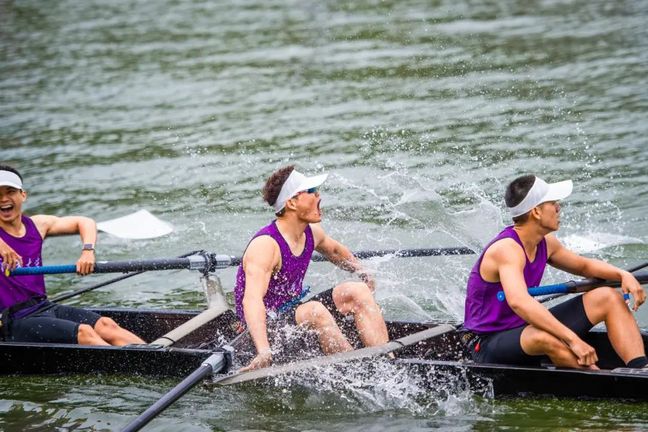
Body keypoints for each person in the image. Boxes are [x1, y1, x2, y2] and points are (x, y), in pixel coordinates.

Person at [463, 174, 647, 370]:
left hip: (523, 329)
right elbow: (519, 302)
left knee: (608, 297)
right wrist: (572, 340)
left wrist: (623, 275)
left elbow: (584, 266)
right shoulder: (507, 249)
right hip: (486, 343)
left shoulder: (546, 243)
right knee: (546, 337)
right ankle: (606, 381)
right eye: (553, 203)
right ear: (536, 212)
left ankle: (641, 369)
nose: (558, 208)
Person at [234, 165, 390, 371]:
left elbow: (336, 251)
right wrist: (263, 351)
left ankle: (387, 364)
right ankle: (356, 372)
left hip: (292, 313)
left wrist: (363, 272)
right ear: (291, 202)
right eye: (311, 191)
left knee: (357, 291)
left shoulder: (312, 233)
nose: (319, 196)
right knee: (315, 310)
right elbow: (252, 300)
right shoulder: (266, 245)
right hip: (263, 330)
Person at [0, 164, 145, 346]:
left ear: (23, 195)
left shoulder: (38, 225)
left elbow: (85, 222)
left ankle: (159, 356)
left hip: (43, 306)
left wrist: (87, 251)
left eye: (10, 192)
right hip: (12, 321)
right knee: (85, 333)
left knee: (107, 325)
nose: (3, 199)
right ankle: (133, 361)